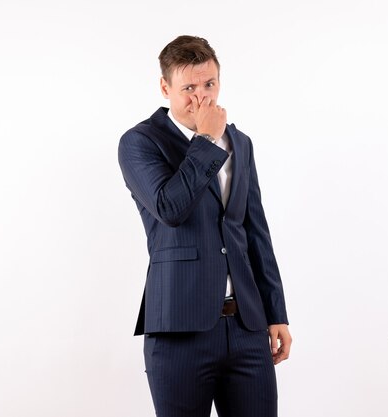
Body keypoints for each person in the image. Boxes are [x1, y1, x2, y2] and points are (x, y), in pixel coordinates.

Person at [118, 35, 292, 417]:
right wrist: (206, 138)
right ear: (165, 88)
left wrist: (275, 312)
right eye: (189, 88)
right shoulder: (139, 142)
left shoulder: (240, 143)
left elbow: (255, 230)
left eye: (209, 84)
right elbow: (170, 208)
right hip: (180, 330)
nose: (202, 97)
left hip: (246, 326)